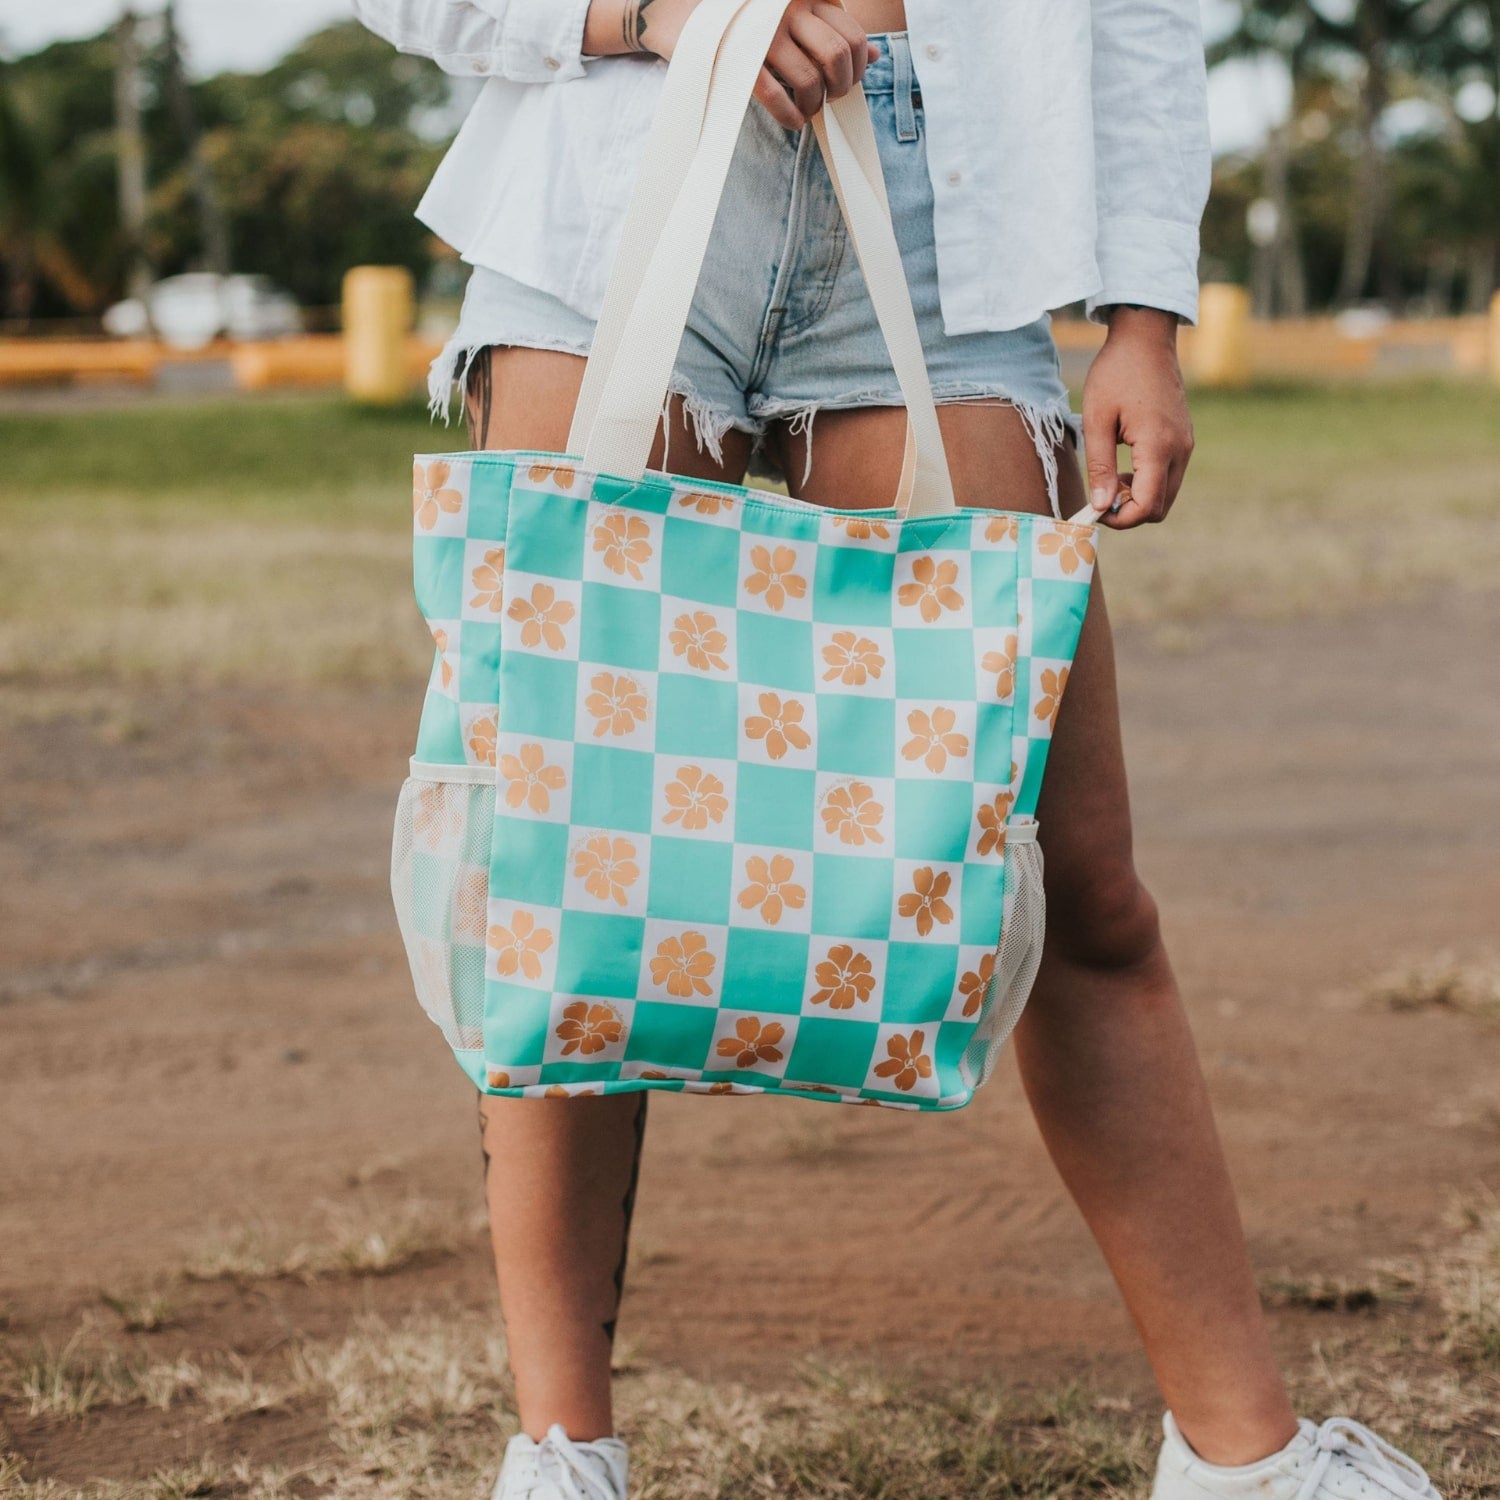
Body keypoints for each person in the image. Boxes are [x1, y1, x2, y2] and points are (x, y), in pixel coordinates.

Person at [355, 3, 1441, 1497]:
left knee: (1081, 882)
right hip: (622, 166)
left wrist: (1143, 318)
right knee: (574, 859)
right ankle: (563, 1457)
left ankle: (1242, 1461)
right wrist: (646, 11)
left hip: (954, 215)